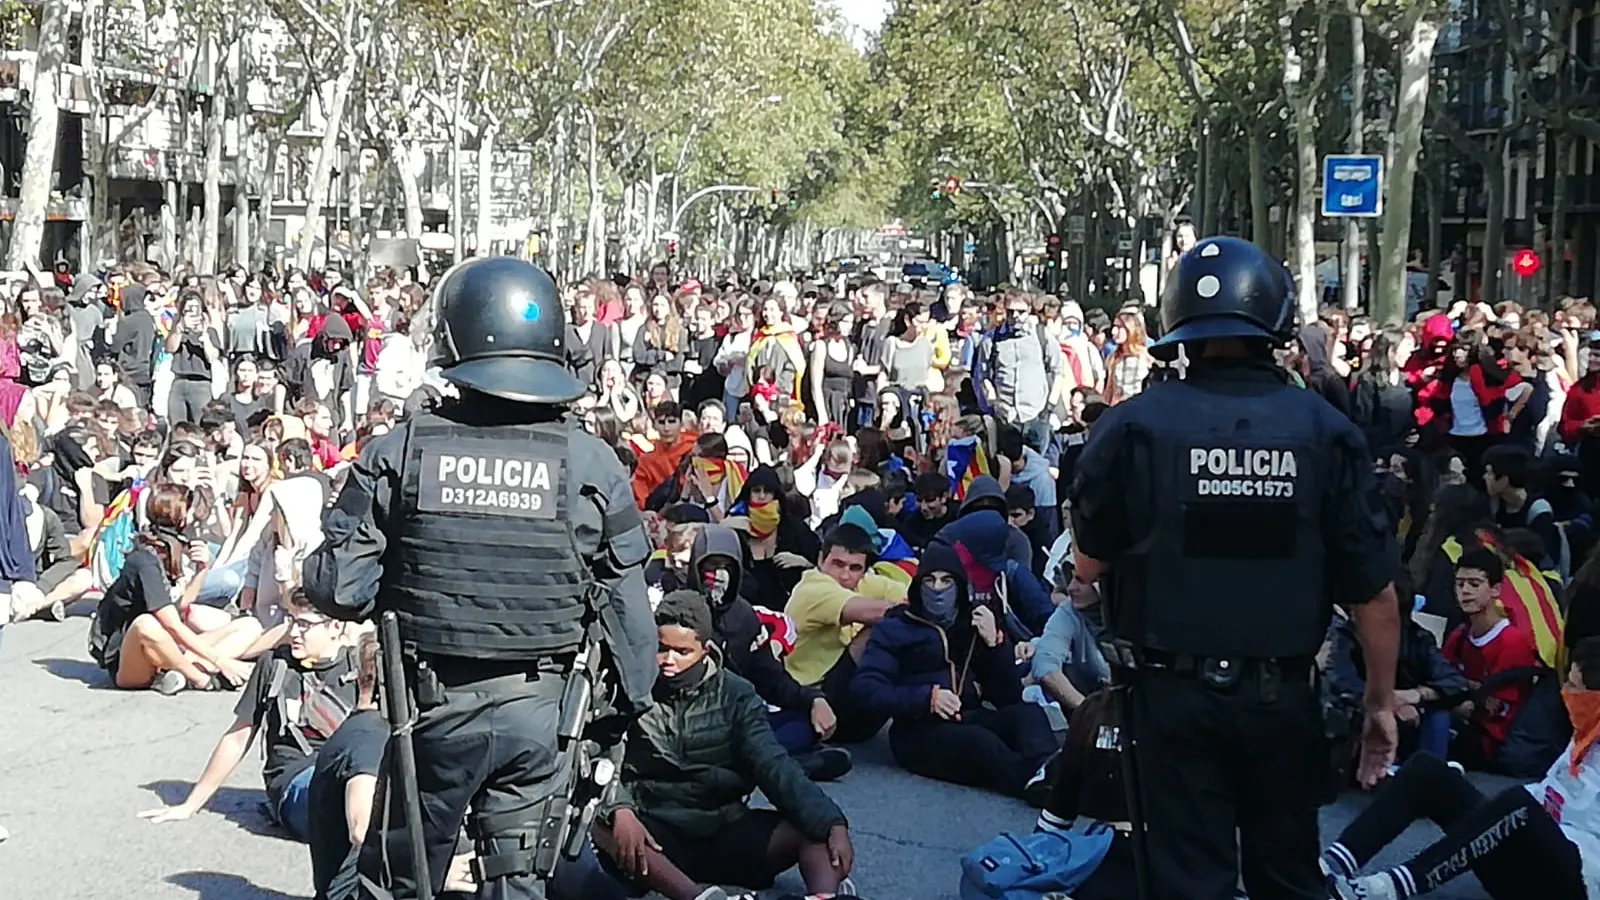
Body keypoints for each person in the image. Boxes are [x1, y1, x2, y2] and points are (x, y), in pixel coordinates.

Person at [304, 257, 658, 900]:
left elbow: (338, 588)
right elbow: (634, 631)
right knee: (515, 884)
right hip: (542, 714)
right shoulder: (591, 463)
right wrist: (610, 724)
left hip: (434, 714)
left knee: (395, 883)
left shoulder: (400, 451)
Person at [1068, 236, 1403, 900]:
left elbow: (1087, 561)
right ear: (1274, 323)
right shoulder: (1324, 431)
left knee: (1189, 881)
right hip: (1282, 700)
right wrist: (1380, 704)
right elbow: (1375, 598)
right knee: (1288, 876)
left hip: (1171, 700)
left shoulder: (1132, 428)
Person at [593, 590, 855, 900]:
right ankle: (697, 897)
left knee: (815, 829)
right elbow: (601, 755)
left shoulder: (736, 694)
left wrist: (832, 822)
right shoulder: (630, 688)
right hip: (655, 831)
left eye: (681, 651)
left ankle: (825, 896)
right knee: (603, 827)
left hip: (722, 826)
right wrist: (619, 808)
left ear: (704, 650)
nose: (669, 661)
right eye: (661, 649)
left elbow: (773, 765)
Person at [1323, 635, 1600, 900]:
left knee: (1520, 803)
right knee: (1429, 770)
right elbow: (1547, 793)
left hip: (1573, 881)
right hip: (1530, 854)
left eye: (1575, 687)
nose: (1566, 693)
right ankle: (1333, 864)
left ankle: (1388, 888)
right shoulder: (1585, 733)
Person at [135, 594, 359, 840]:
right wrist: (191, 805)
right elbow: (237, 738)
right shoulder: (275, 664)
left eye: (304, 624)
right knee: (346, 801)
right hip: (297, 778)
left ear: (336, 626)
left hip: (349, 770)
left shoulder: (358, 666)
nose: (294, 632)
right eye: (290, 621)